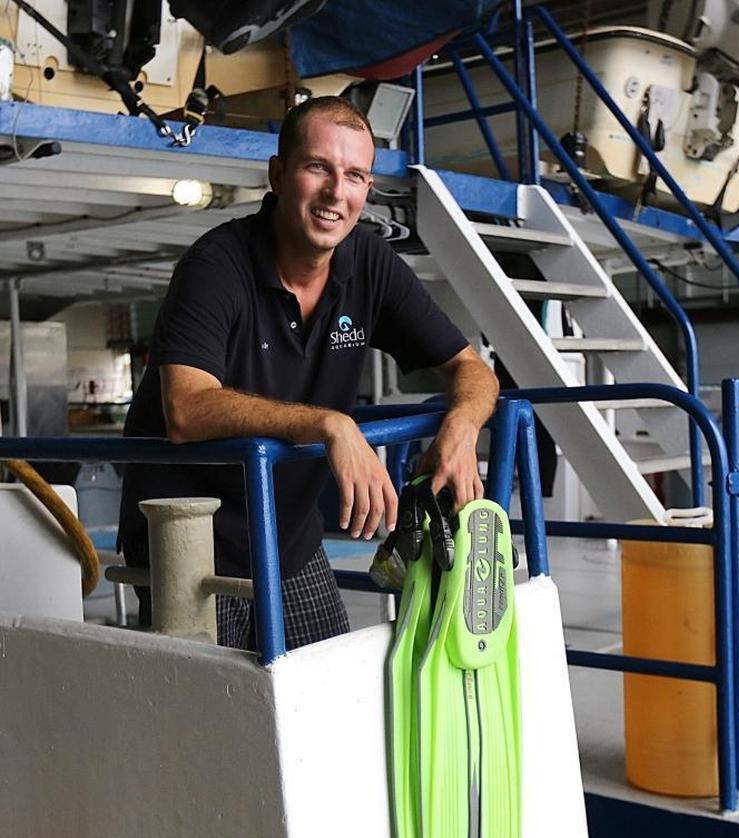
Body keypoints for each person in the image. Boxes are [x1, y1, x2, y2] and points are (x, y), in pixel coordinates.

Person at [118, 96, 499, 651]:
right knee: (213, 702)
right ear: (278, 175)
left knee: (326, 693)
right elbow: (186, 407)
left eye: (355, 175)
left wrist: (462, 428)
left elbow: (469, 367)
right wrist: (329, 424)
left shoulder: (369, 262)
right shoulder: (216, 265)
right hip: (189, 540)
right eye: (318, 167)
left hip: (289, 538)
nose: (336, 193)